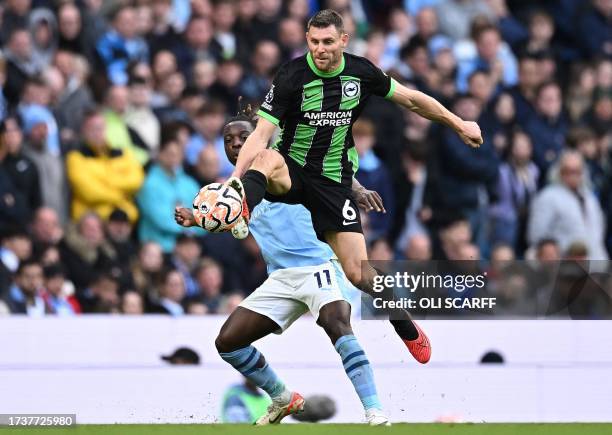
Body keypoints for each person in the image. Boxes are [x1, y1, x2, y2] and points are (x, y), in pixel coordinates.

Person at [211, 10, 480, 359]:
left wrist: (458, 123)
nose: (319, 49)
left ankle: (404, 322)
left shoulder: (361, 72)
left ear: (343, 40)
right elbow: (260, 134)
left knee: (359, 273)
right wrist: (233, 183)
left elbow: (413, 100)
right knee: (266, 158)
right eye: (313, 42)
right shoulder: (292, 75)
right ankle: (240, 204)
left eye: (326, 42)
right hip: (291, 169)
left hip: (333, 182)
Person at [175, 102, 426, 426]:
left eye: (243, 137)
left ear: (259, 140)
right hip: (281, 276)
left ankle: (375, 411)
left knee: (336, 322)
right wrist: (196, 218)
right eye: (229, 140)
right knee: (228, 342)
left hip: (322, 263)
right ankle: (282, 398)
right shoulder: (228, 191)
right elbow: (224, 220)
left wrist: (359, 189)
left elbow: (332, 172)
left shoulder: (287, 163)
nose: (236, 144)